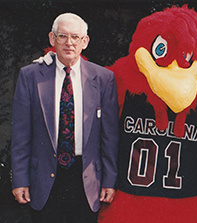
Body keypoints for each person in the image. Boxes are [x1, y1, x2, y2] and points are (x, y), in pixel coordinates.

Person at [11, 13, 119, 223]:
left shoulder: (104, 79)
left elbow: (110, 137)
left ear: (85, 41)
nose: (69, 43)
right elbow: (20, 135)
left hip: (87, 179)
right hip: (43, 178)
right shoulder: (30, 76)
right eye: (62, 36)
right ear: (52, 39)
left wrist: (109, 180)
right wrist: (20, 180)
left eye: (75, 37)